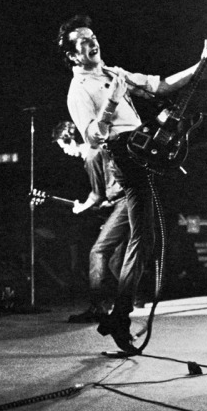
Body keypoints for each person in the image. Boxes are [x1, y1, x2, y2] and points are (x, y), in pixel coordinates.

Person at [57, 14, 207, 354]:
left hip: (144, 144)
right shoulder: (78, 90)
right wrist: (111, 102)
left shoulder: (114, 73)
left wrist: (201, 62)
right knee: (143, 239)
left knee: (200, 124)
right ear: (72, 55)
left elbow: (163, 85)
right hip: (126, 155)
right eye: (82, 41)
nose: (92, 41)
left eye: (92, 35)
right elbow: (93, 138)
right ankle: (119, 315)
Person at [52, 120, 131, 323]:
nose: (64, 152)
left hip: (124, 204)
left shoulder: (91, 155)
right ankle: (126, 302)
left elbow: (96, 195)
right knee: (115, 260)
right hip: (127, 200)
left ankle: (98, 308)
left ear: (71, 140)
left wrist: (82, 207)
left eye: (63, 146)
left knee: (98, 252)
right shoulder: (101, 149)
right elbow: (109, 188)